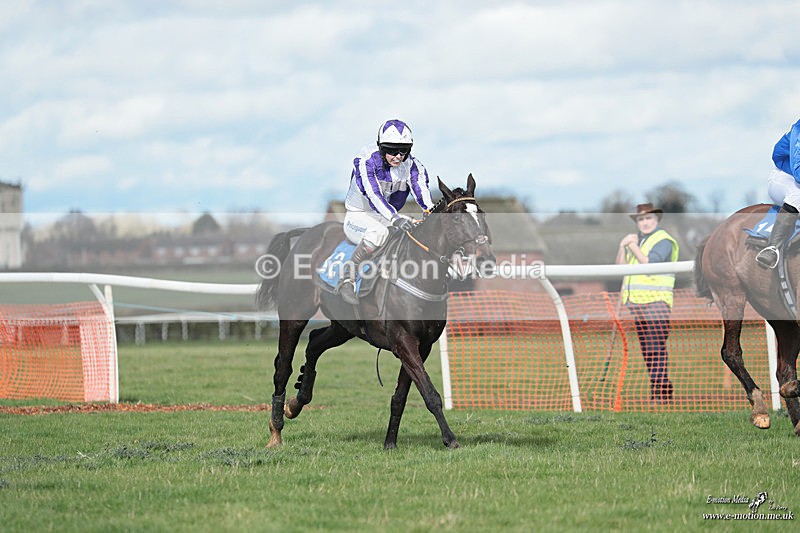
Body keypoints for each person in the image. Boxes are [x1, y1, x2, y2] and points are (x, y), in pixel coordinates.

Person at [337, 119, 435, 305]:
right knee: (378, 233)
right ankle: (347, 279)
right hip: (358, 215)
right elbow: (373, 195)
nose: (398, 156)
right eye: (391, 150)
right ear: (381, 148)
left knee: (415, 229)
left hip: (387, 216)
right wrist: (395, 218)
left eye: (403, 150)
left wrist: (430, 212)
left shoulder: (414, 166)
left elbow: (421, 189)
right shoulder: (365, 161)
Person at [616, 203, 679, 403]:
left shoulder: (663, 240)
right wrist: (622, 245)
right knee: (648, 349)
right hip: (637, 304)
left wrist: (632, 245)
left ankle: (661, 391)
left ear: (656, 220)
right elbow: (619, 268)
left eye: (648, 218)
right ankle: (659, 389)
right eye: (641, 219)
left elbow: (650, 265)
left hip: (657, 302)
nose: (644, 222)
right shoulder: (639, 242)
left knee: (655, 347)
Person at [756, 117, 800, 268]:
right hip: (785, 177)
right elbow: (798, 170)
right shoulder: (799, 130)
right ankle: (772, 248)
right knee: (797, 196)